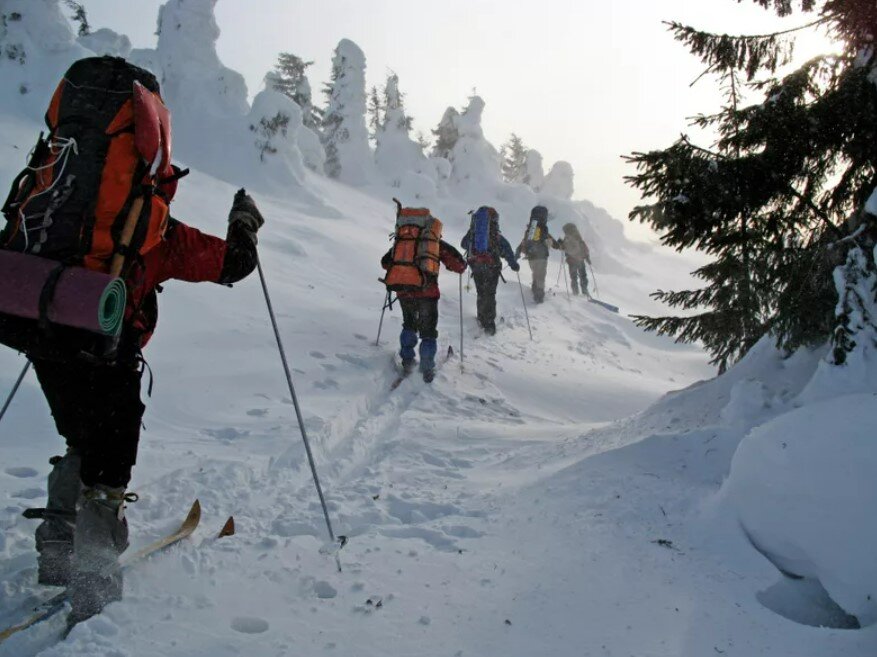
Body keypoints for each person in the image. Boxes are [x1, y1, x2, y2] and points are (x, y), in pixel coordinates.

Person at [28, 191, 264, 626]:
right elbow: (233, 263)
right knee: (108, 473)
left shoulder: (54, 201)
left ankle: (56, 552)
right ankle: (93, 586)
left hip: (44, 342)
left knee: (79, 439)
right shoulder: (150, 226)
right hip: (108, 354)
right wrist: (245, 223)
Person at [381, 237, 466, 382]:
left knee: (409, 324)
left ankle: (407, 361)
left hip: (404, 292)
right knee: (428, 331)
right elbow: (460, 266)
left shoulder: (404, 239)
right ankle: (426, 368)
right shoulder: (434, 242)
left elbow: (385, 263)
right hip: (427, 293)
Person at [461, 206, 519, 335]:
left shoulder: (474, 233)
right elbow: (507, 250)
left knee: (481, 292)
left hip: (476, 267)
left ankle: (481, 317)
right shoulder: (496, 236)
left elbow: (463, 244)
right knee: (490, 294)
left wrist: (472, 234)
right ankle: (489, 324)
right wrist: (513, 264)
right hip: (492, 268)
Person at [516, 205, 557, 303]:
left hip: (531, 257)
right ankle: (539, 297)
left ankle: (535, 291)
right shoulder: (544, 230)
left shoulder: (530, 230)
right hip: (542, 256)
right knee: (541, 276)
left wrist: (516, 254)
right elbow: (555, 244)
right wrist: (560, 245)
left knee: (536, 273)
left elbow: (523, 243)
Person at [555, 222, 591, 296]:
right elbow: (584, 248)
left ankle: (575, 292)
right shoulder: (578, 237)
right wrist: (587, 257)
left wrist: (562, 245)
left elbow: (566, 248)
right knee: (583, 275)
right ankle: (585, 291)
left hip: (572, 261)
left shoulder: (568, 237)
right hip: (580, 259)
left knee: (574, 277)